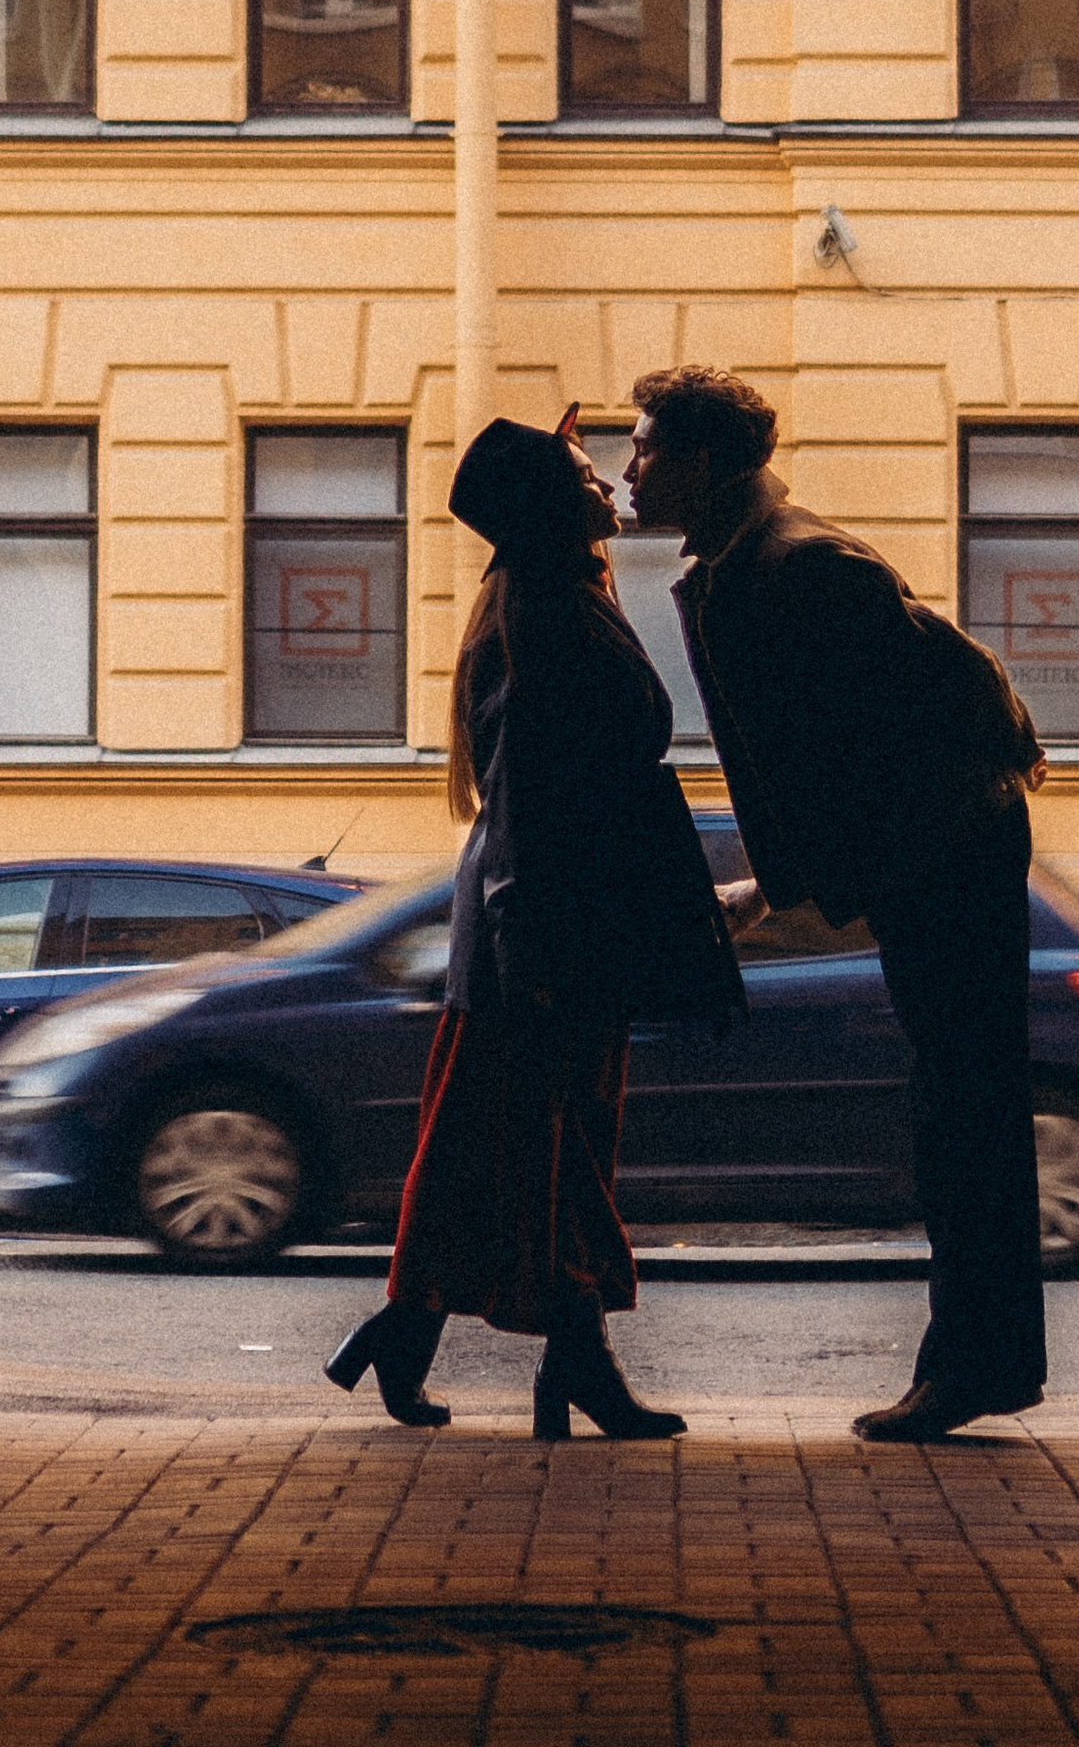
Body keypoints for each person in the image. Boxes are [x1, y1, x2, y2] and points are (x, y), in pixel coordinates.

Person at [626, 361, 1051, 1441]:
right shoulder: (750, 559)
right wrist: (772, 889)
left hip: (950, 855)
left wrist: (805, 886)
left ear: (701, 459)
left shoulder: (802, 562)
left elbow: (918, 714)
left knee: (966, 1114)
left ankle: (973, 1366)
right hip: (933, 854)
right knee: (958, 1107)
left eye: (644, 445)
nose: (629, 466)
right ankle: (975, 1364)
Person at [324, 409, 744, 1438]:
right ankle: (532, 1356)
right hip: (546, 936)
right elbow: (525, 796)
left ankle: (471, 1342)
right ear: (548, 506)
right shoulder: (548, 613)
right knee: (538, 1151)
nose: (605, 483)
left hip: (556, 927)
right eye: (581, 473)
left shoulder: (557, 597)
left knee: (540, 1152)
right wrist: (528, 944)